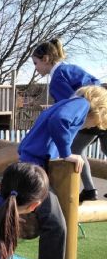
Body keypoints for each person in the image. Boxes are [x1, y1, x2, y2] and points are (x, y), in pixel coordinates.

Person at [18, 85, 107, 259]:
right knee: (56, 224)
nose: (91, 128)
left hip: (31, 165)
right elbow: (60, 121)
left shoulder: (66, 103)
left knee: (37, 219)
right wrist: (67, 152)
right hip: (32, 167)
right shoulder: (80, 104)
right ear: (97, 109)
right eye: (95, 123)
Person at [32, 38, 105, 202]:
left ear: (46, 59)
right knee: (81, 148)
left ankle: (89, 190)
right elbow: (95, 83)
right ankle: (90, 190)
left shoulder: (57, 78)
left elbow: (68, 109)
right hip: (101, 109)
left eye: (36, 63)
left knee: (71, 149)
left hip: (93, 114)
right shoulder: (70, 69)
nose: (36, 69)